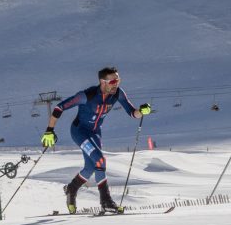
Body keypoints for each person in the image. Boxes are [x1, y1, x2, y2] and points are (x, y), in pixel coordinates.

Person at [42, 67, 151, 213]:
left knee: (90, 167)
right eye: (113, 81)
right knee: (100, 161)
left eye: (118, 80)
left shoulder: (118, 93)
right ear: (103, 82)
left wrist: (142, 111)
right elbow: (59, 108)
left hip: (95, 133)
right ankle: (106, 201)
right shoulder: (87, 95)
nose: (116, 84)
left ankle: (71, 189)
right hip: (79, 131)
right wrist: (49, 130)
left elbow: (132, 113)